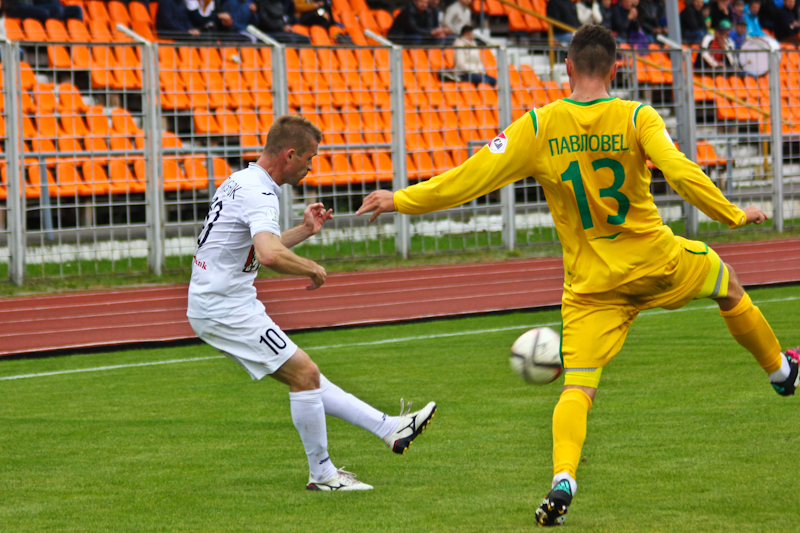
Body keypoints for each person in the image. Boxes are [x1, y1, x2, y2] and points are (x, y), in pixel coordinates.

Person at [356, 23, 799, 526]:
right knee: (728, 285)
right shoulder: (637, 116)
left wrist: (401, 199)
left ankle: (564, 477)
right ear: (616, 68)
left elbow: (469, 178)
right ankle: (780, 372)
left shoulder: (538, 126)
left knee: (578, 388)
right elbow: (678, 170)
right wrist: (731, 214)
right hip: (658, 262)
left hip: (592, 288)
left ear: (567, 66)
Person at [187, 115, 437, 491]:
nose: (311, 167)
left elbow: (256, 247)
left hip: (224, 300)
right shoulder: (259, 192)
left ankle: (389, 428)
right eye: (309, 158)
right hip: (222, 306)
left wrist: (305, 230)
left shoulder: (243, 180)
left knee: (307, 376)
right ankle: (323, 474)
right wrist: (312, 268)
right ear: (289, 155)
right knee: (304, 374)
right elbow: (268, 254)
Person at [4, 0, 82, 23]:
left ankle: (78, 43)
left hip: (30, 5)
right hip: (15, 7)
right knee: (46, 12)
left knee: (77, 10)